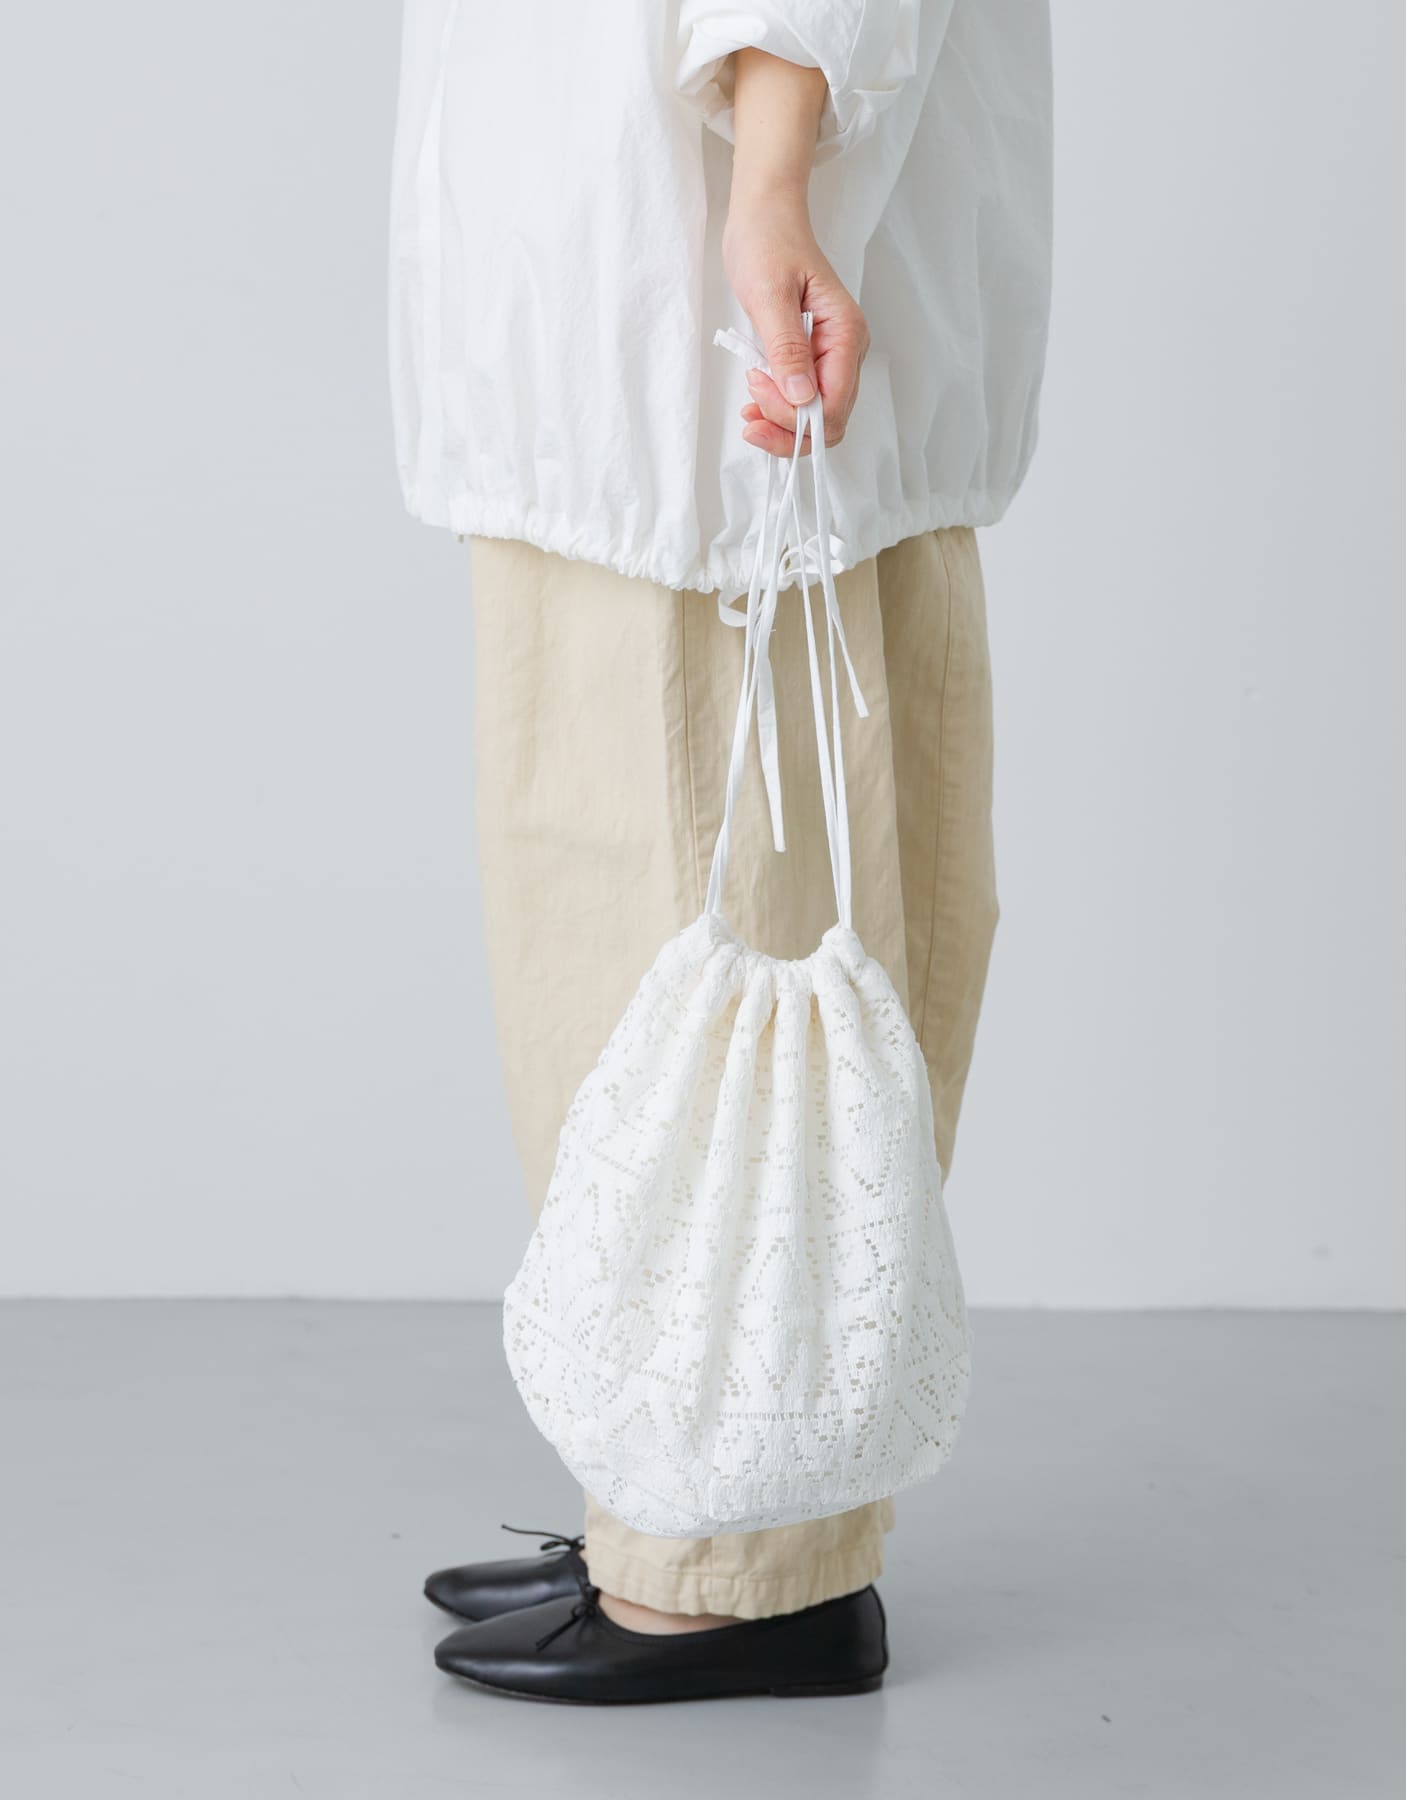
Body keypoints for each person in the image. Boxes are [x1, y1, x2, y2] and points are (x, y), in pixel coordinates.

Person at [388, 0, 1051, 1703]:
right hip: (646, 290)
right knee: (624, 916)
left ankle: (738, 1568)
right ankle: (675, 1504)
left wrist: (772, 173)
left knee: (700, 924)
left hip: (713, 299)